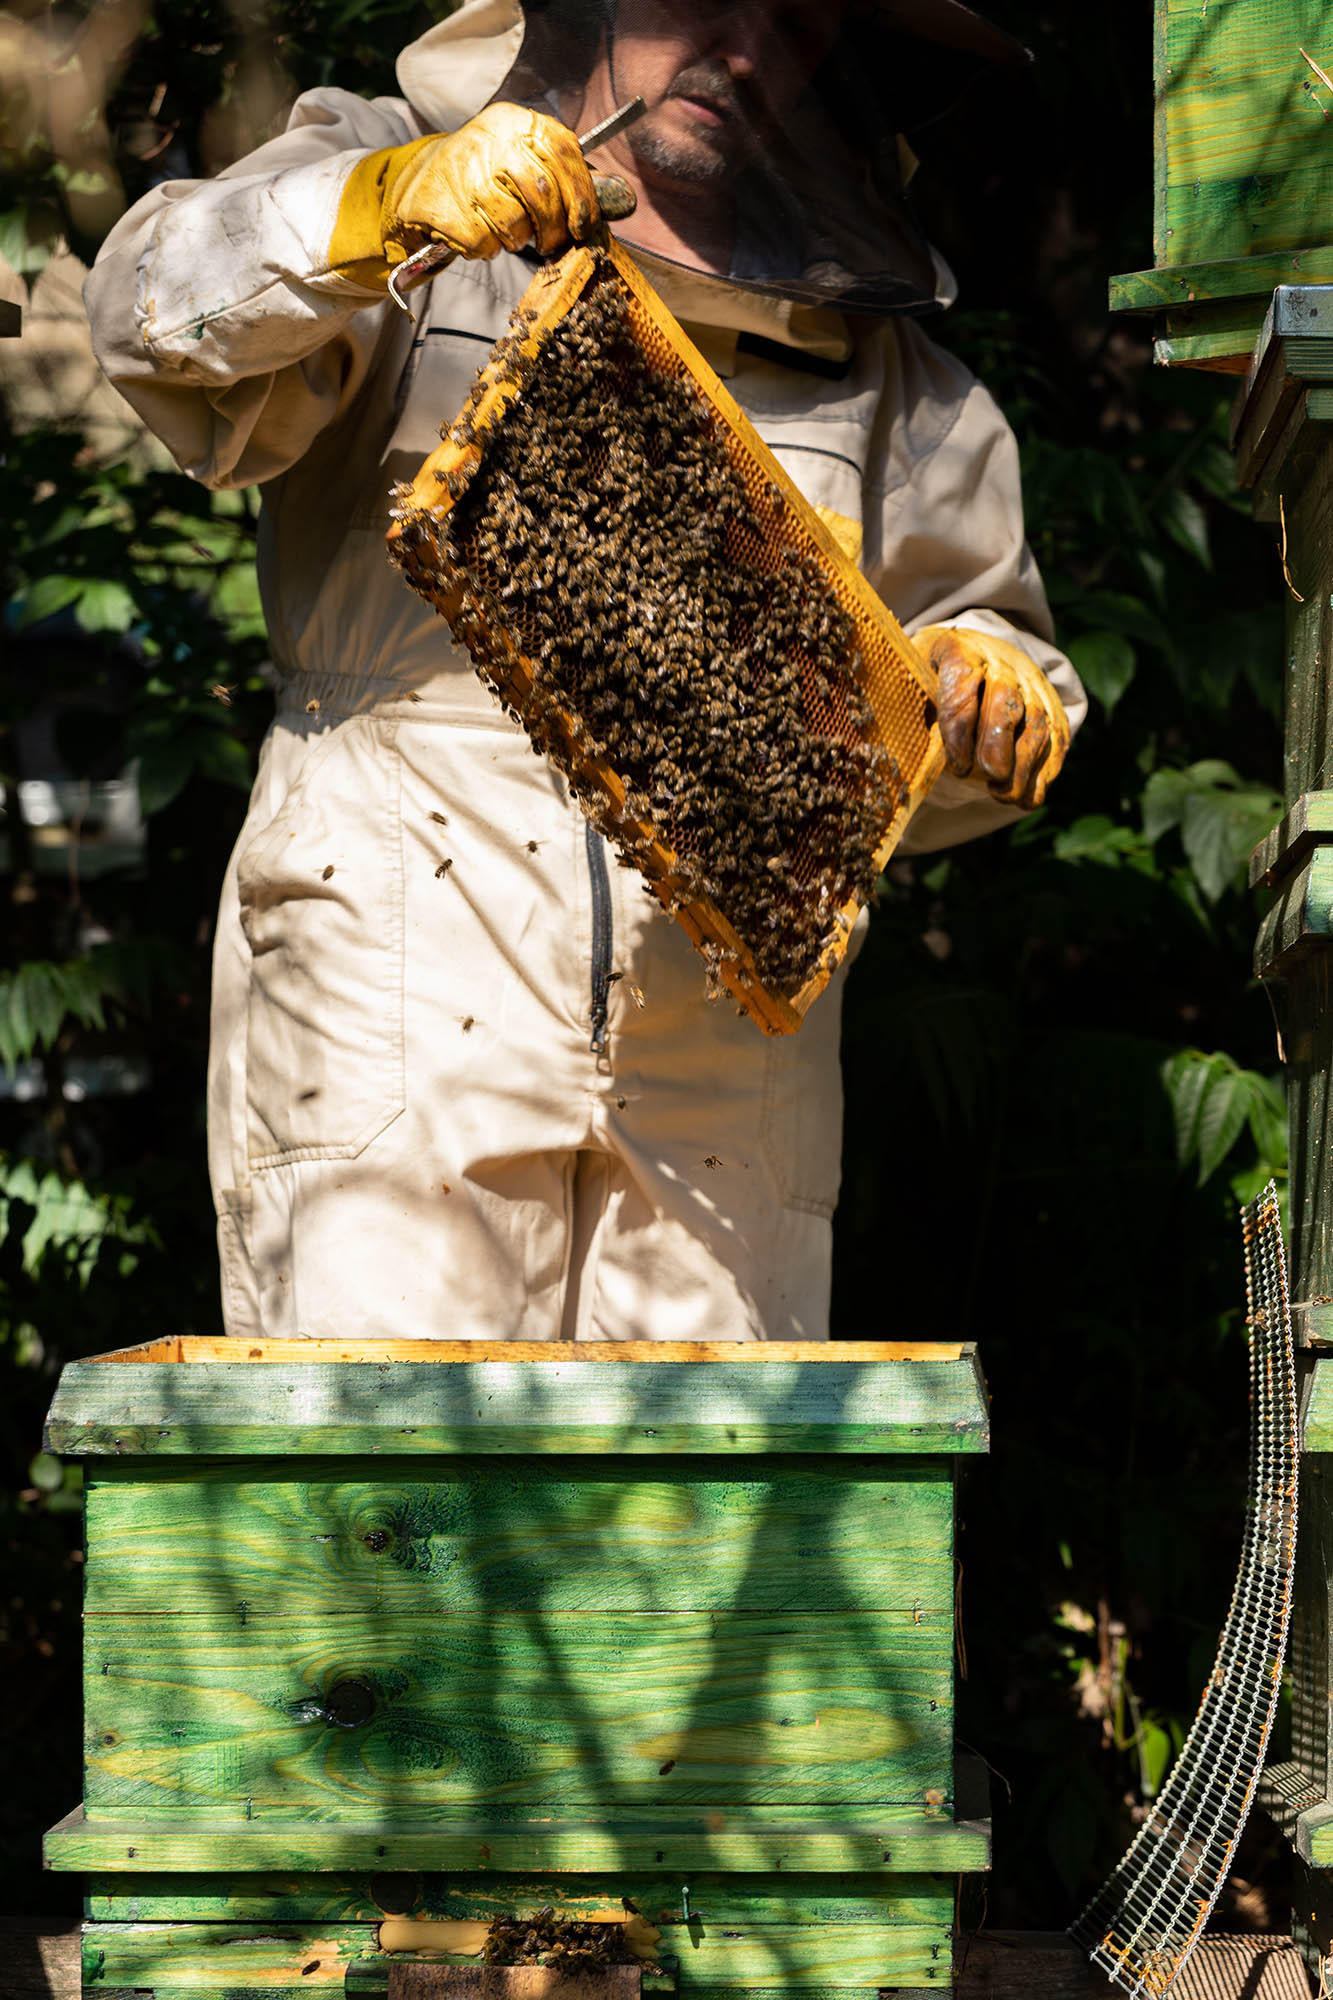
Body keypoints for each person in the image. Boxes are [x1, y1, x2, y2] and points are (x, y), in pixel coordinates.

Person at [85, 0, 1083, 1346]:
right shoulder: (393, 166)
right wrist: (376, 209)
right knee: (392, 1496)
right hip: (399, 945)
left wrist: (979, 693)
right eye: (693, 0)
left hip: (730, 1009)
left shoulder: (875, 353)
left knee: (703, 1520)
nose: (736, 50)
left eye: (786, 22)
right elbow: (150, 300)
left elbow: (956, 665)